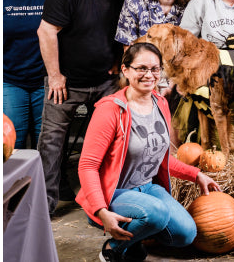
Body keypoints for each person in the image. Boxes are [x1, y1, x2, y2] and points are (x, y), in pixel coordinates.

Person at [76, 42, 220, 262]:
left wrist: (195, 174)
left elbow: (159, 158)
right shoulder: (110, 109)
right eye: (141, 68)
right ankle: (113, 248)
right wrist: (100, 210)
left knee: (186, 234)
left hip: (147, 188)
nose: (149, 75)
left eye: (154, 69)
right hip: (114, 192)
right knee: (156, 213)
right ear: (125, 70)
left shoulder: (160, 103)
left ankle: (134, 237)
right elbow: (87, 165)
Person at [37, 0, 130, 215]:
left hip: (105, 83)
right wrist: (54, 75)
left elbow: (127, 36)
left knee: (113, 140)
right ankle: (45, 205)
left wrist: (119, 62)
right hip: (64, 83)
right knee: (52, 141)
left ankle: (104, 201)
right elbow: (46, 32)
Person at [3, 0, 54, 148]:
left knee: (45, 141)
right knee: (14, 140)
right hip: (11, 80)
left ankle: (44, 182)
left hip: (44, 81)